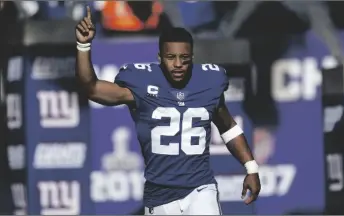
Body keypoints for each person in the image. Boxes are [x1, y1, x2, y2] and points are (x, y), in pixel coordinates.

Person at [76, 6, 261, 215]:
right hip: (160, 194)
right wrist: (83, 47)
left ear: (192, 57)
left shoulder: (208, 83)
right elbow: (91, 88)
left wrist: (251, 168)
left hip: (200, 189)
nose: (178, 64)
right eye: (171, 57)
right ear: (159, 58)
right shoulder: (142, 84)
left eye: (184, 58)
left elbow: (228, 127)